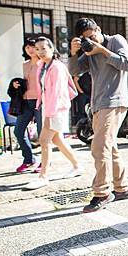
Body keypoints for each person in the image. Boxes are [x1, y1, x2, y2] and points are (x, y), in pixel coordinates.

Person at [69, 18, 128, 213]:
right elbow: (74, 71)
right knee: (109, 147)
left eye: (92, 35)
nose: (90, 40)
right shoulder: (88, 51)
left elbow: (126, 63)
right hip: (97, 104)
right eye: (85, 38)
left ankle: (102, 193)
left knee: (99, 147)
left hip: (114, 102)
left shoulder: (115, 40)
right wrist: (73, 53)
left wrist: (102, 50)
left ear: (98, 29)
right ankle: (122, 189)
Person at [25, 37, 82, 190]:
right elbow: (42, 90)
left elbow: (56, 94)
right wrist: (40, 107)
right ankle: (77, 166)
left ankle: (43, 176)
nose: (40, 52)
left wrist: (49, 115)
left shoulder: (57, 67)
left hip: (56, 109)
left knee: (44, 141)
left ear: (52, 48)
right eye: (37, 49)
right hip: (48, 107)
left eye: (43, 48)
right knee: (57, 140)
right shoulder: (42, 66)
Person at [12, 39, 43, 173]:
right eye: (27, 47)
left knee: (43, 134)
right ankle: (29, 159)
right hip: (26, 102)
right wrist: (15, 84)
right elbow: (24, 83)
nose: (30, 50)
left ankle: (45, 162)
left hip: (41, 102)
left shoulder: (44, 63)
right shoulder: (24, 65)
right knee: (18, 131)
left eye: (32, 47)